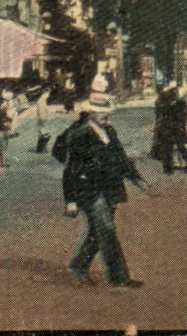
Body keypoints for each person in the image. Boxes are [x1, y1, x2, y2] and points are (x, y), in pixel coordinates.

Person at [56, 83, 151, 288]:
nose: (104, 115)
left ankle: (79, 266)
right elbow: (70, 169)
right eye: (99, 112)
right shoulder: (80, 135)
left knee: (98, 232)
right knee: (107, 230)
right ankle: (119, 278)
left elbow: (122, 160)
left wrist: (138, 179)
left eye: (106, 111)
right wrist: (70, 200)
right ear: (90, 113)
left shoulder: (109, 131)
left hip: (110, 189)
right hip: (90, 192)